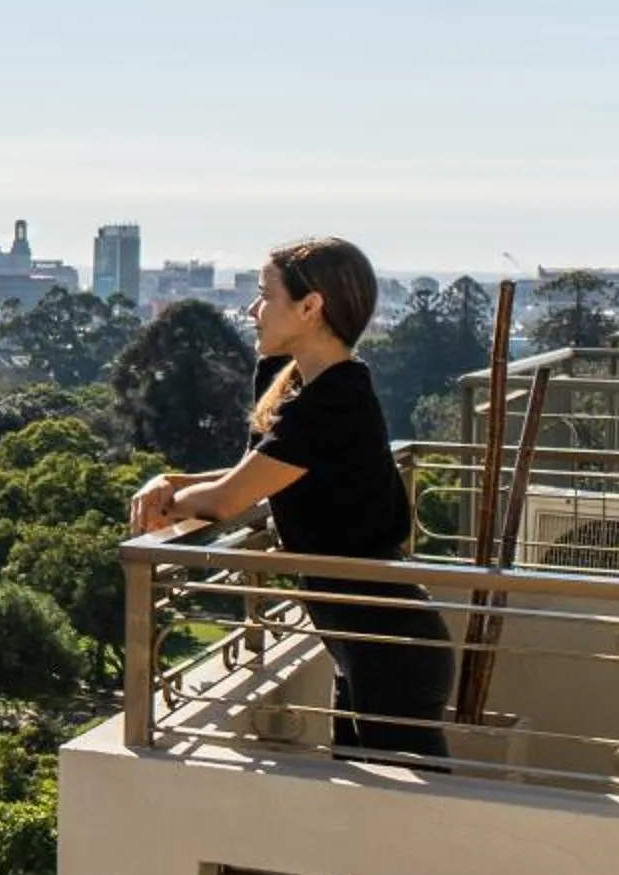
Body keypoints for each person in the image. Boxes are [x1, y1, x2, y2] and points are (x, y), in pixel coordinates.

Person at [127, 237, 454, 762]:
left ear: (310, 307)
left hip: (390, 645)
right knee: (372, 805)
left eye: (264, 295)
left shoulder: (335, 399)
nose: (253, 309)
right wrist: (172, 482)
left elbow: (229, 499)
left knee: (412, 819)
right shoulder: (303, 386)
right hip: (362, 637)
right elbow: (252, 475)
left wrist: (173, 497)